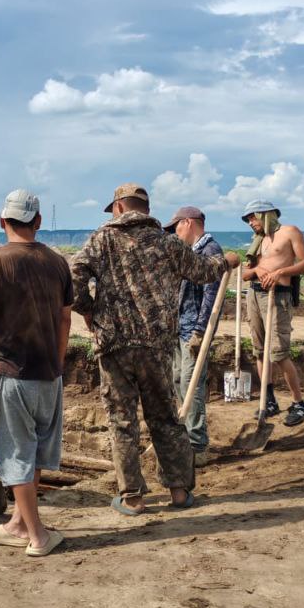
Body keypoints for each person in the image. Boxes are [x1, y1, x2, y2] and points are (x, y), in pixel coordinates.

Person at [72, 184, 239, 517]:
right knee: (165, 416)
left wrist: (88, 310)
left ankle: (132, 497)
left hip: (115, 344)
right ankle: (179, 491)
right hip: (156, 345)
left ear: (119, 207)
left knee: (122, 420)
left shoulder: (102, 240)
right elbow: (202, 271)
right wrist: (227, 261)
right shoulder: (167, 243)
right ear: (146, 210)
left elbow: (74, 273)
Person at [0, 190, 72, 557]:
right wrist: (57, 363)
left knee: (15, 454)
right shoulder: (58, 262)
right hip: (49, 373)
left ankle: (38, 535)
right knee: (36, 452)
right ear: (38, 222)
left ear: (2, 221)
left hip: (10, 373)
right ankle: (19, 522)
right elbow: (64, 317)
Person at [241, 198, 304, 426]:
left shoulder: (290, 232)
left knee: (279, 353)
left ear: (266, 214)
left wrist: (279, 270)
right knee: (260, 351)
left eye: (253, 217)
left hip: (278, 296)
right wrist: (260, 269)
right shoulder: (258, 241)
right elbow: (245, 274)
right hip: (254, 295)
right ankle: (268, 400)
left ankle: (299, 404)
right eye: (248, 219)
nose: (250, 222)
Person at [163, 205, 224, 466]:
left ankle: (198, 445)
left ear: (188, 223)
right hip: (180, 329)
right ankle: (186, 435)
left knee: (192, 385)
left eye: (176, 227)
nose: (175, 233)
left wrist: (200, 331)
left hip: (193, 331)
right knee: (178, 380)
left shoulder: (210, 251)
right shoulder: (190, 251)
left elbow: (211, 297)